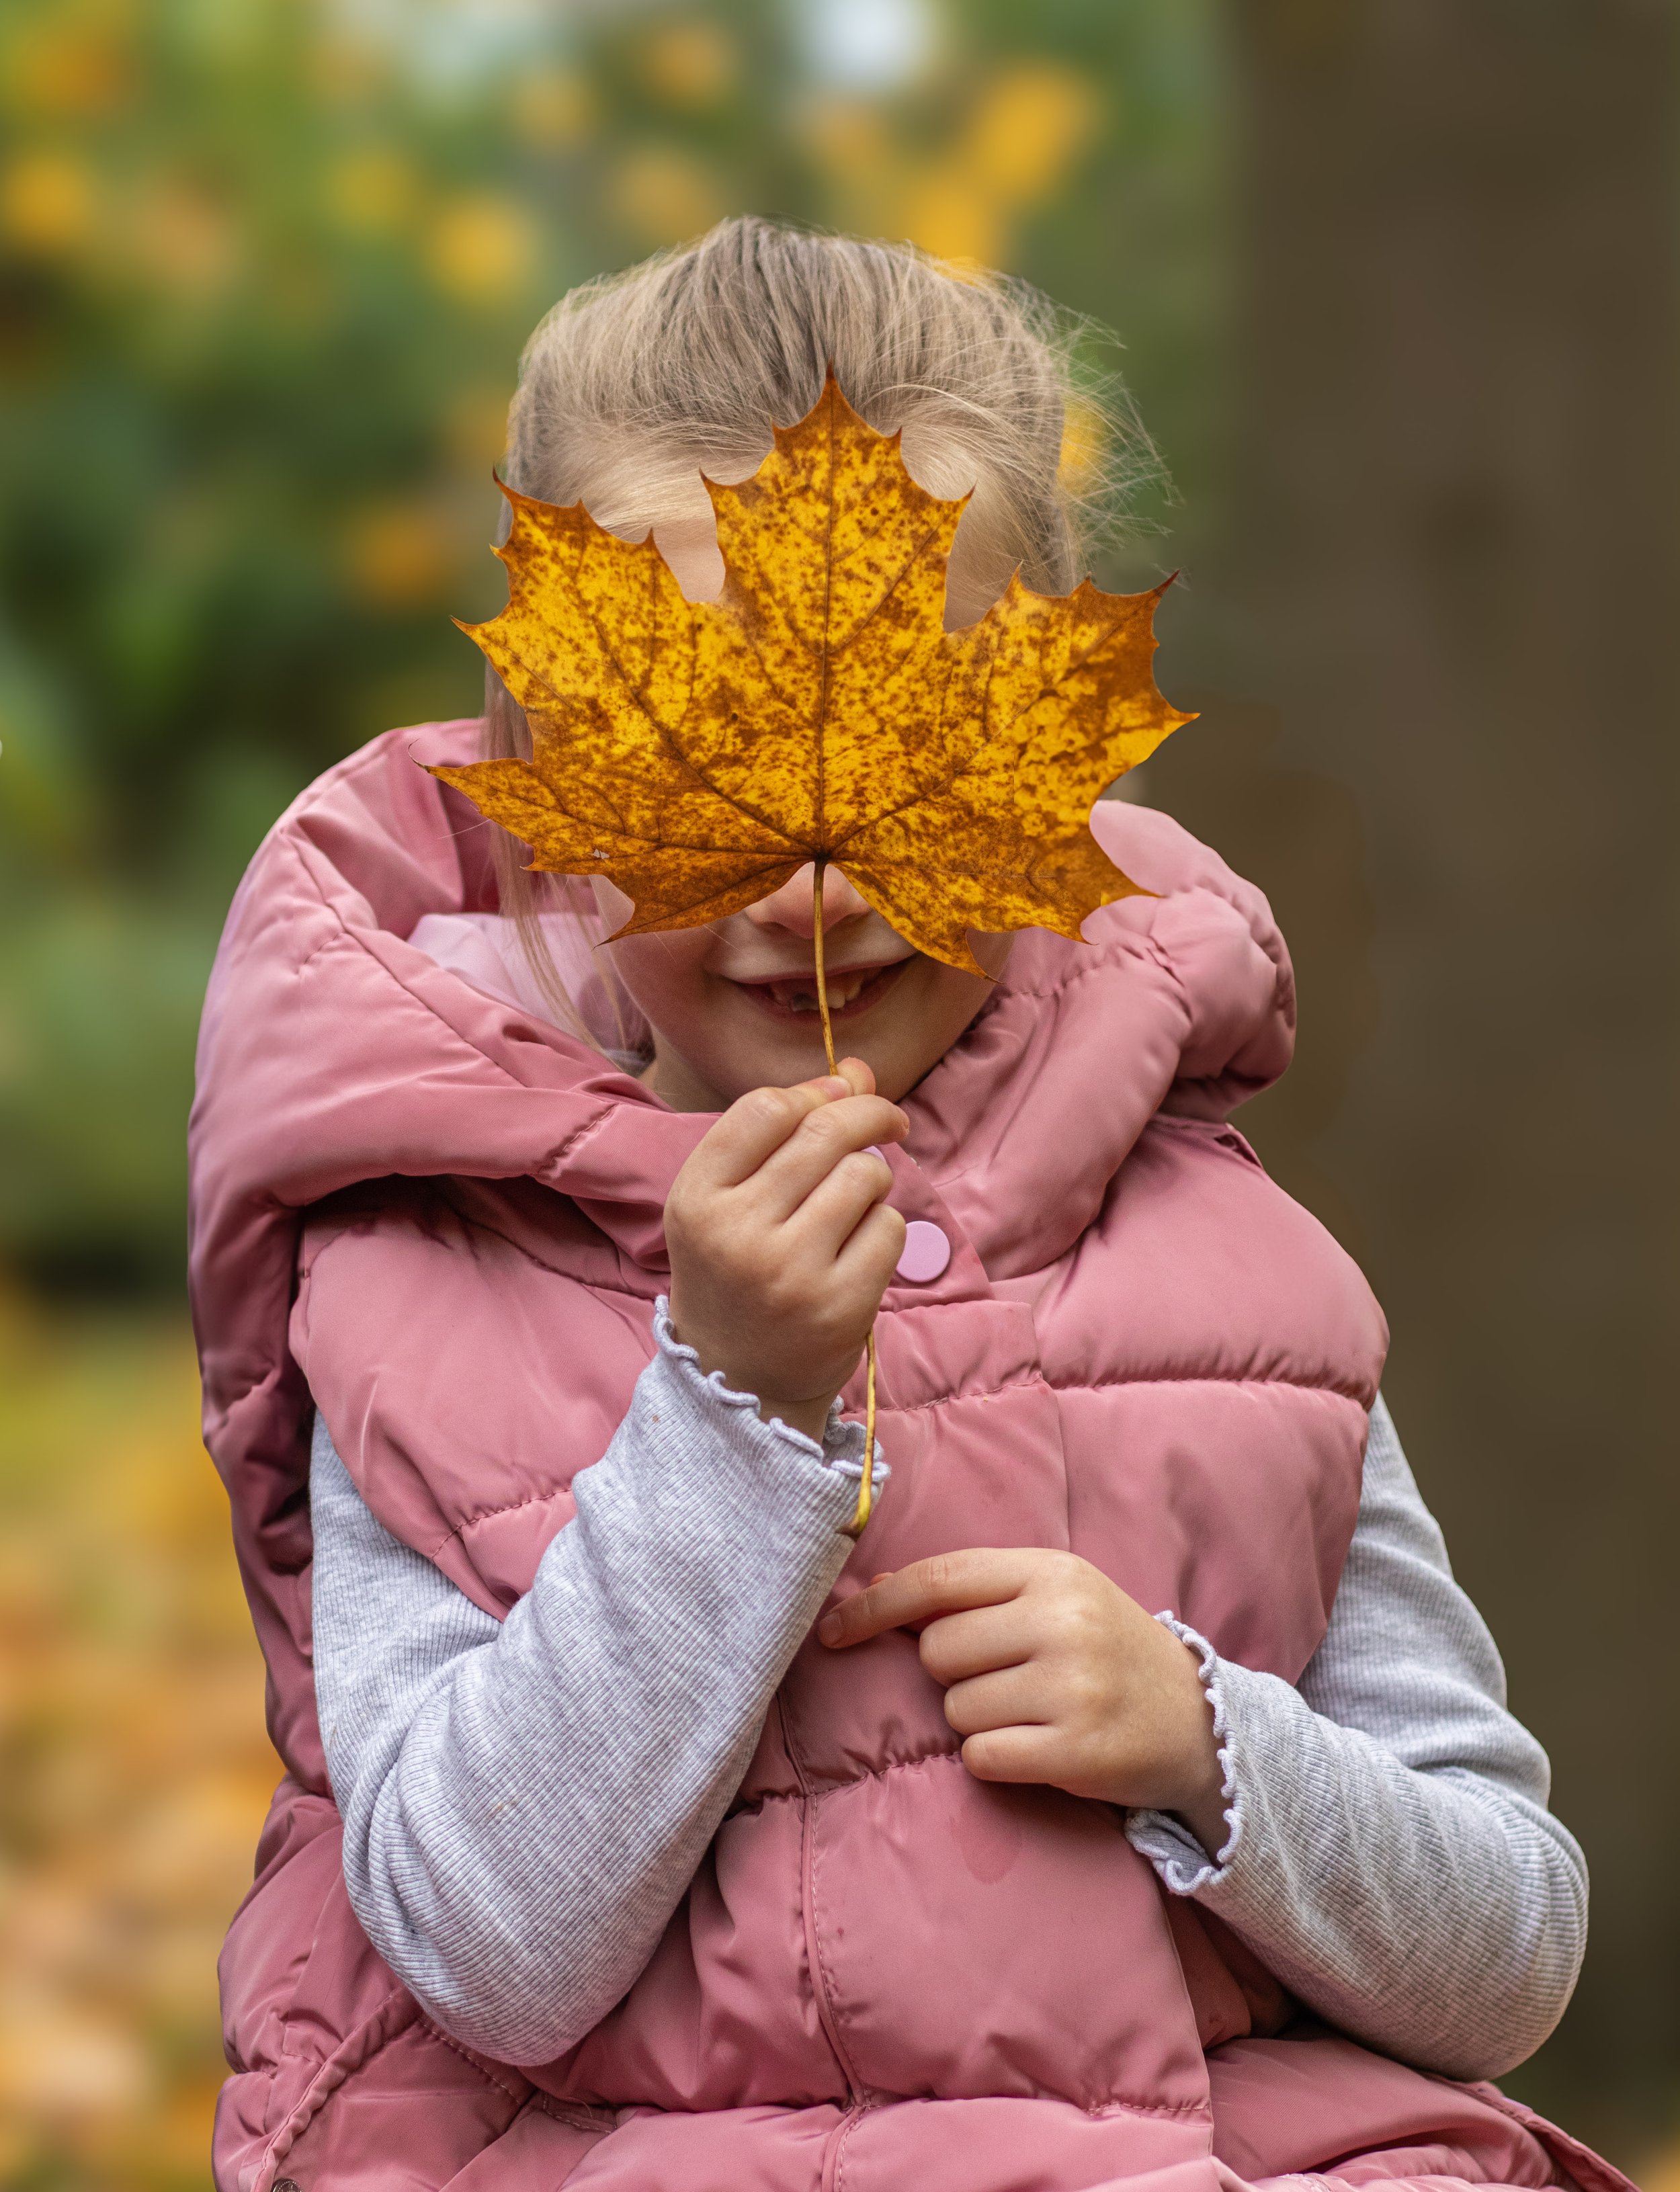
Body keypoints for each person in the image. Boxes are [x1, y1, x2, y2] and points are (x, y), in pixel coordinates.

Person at [188, 218, 1626, 2192]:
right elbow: (481, 1956)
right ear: (540, 783)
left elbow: (1508, 1958)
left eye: (913, 757)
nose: (810, 886)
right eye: (694, 749)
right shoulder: (418, 1269)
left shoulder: (1231, 1280)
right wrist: (730, 1410)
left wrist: (1214, 1749)